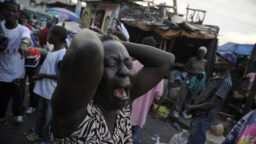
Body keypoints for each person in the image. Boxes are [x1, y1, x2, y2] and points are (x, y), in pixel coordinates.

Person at [50, 29, 175, 143]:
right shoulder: (73, 111)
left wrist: (115, 43)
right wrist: (100, 38)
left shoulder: (124, 106)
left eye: (128, 64)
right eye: (111, 64)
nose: (124, 71)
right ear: (94, 72)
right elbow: (90, 49)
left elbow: (166, 60)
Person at [187, 52, 236, 144]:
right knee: (192, 140)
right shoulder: (217, 76)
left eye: (221, 60)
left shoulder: (226, 82)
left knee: (195, 141)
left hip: (204, 117)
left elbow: (212, 104)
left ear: (228, 64)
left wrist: (192, 107)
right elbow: (205, 94)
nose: (218, 61)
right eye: (219, 59)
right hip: (198, 114)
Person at [33, 26, 67, 144]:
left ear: (57, 37)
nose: (47, 36)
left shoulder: (62, 54)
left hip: (51, 93)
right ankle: (37, 134)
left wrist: (44, 76)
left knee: (48, 119)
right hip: (45, 91)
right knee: (41, 114)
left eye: (50, 34)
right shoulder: (53, 50)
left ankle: (46, 139)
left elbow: (63, 77)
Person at [0, 0, 31, 125]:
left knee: (18, 97)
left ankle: (18, 114)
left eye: (14, 11)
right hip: (1, 72)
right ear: (3, 12)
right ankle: (2, 117)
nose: (11, 13)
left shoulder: (23, 29)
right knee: (2, 99)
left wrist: (24, 44)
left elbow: (26, 37)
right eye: (8, 10)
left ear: (18, 14)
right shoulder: (0, 27)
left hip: (17, 73)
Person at [131, 37, 164, 144]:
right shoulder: (158, 73)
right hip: (141, 114)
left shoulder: (131, 65)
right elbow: (159, 94)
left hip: (125, 111)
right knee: (135, 139)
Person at [173, 46, 207, 119]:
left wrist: (201, 75)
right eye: (199, 51)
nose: (200, 54)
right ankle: (176, 110)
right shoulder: (192, 59)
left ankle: (184, 111)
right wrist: (193, 72)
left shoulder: (205, 62)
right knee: (182, 95)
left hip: (196, 82)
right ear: (197, 52)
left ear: (204, 54)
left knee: (190, 97)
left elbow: (204, 71)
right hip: (188, 78)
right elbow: (185, 68)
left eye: (202, 53)